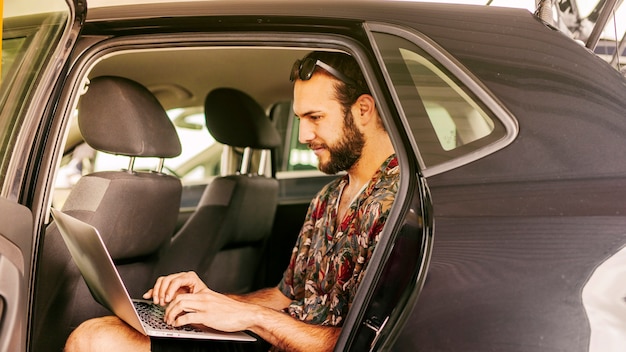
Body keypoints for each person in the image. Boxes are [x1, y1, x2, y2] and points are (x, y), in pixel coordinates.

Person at [64, 51, 399, 352]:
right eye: (299, 119)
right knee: (98, 336)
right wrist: (211, 303)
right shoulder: (327, 198)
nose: (302, 136)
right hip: (273, 340)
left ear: (363, 110)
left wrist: (248, 316)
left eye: (315, 117)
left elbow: (360, 343)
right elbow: (286, 297)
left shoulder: (398, 208)